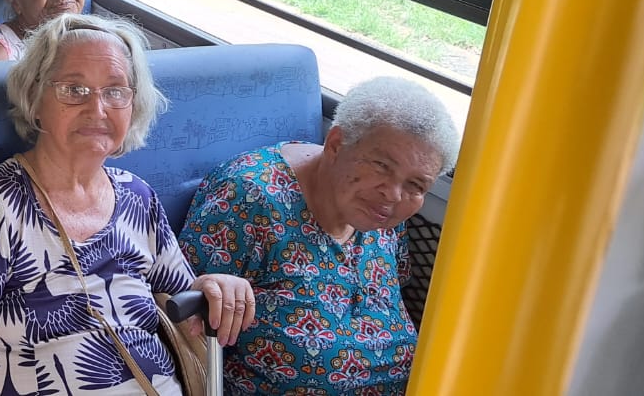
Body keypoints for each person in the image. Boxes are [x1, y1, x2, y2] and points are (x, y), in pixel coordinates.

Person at [0, 13, 257, 396]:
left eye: (114, 91)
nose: (97, 109)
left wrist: (215, 286)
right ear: (35, 99)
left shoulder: (137, 197)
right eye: (74, 90)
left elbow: (184, 307)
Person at [178, 77, 460, 396]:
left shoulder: (383, 215)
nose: (394, 194)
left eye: (416, 185)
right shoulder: (248, 199)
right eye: (382, 166)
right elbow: (176, 318)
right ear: (337, 144)